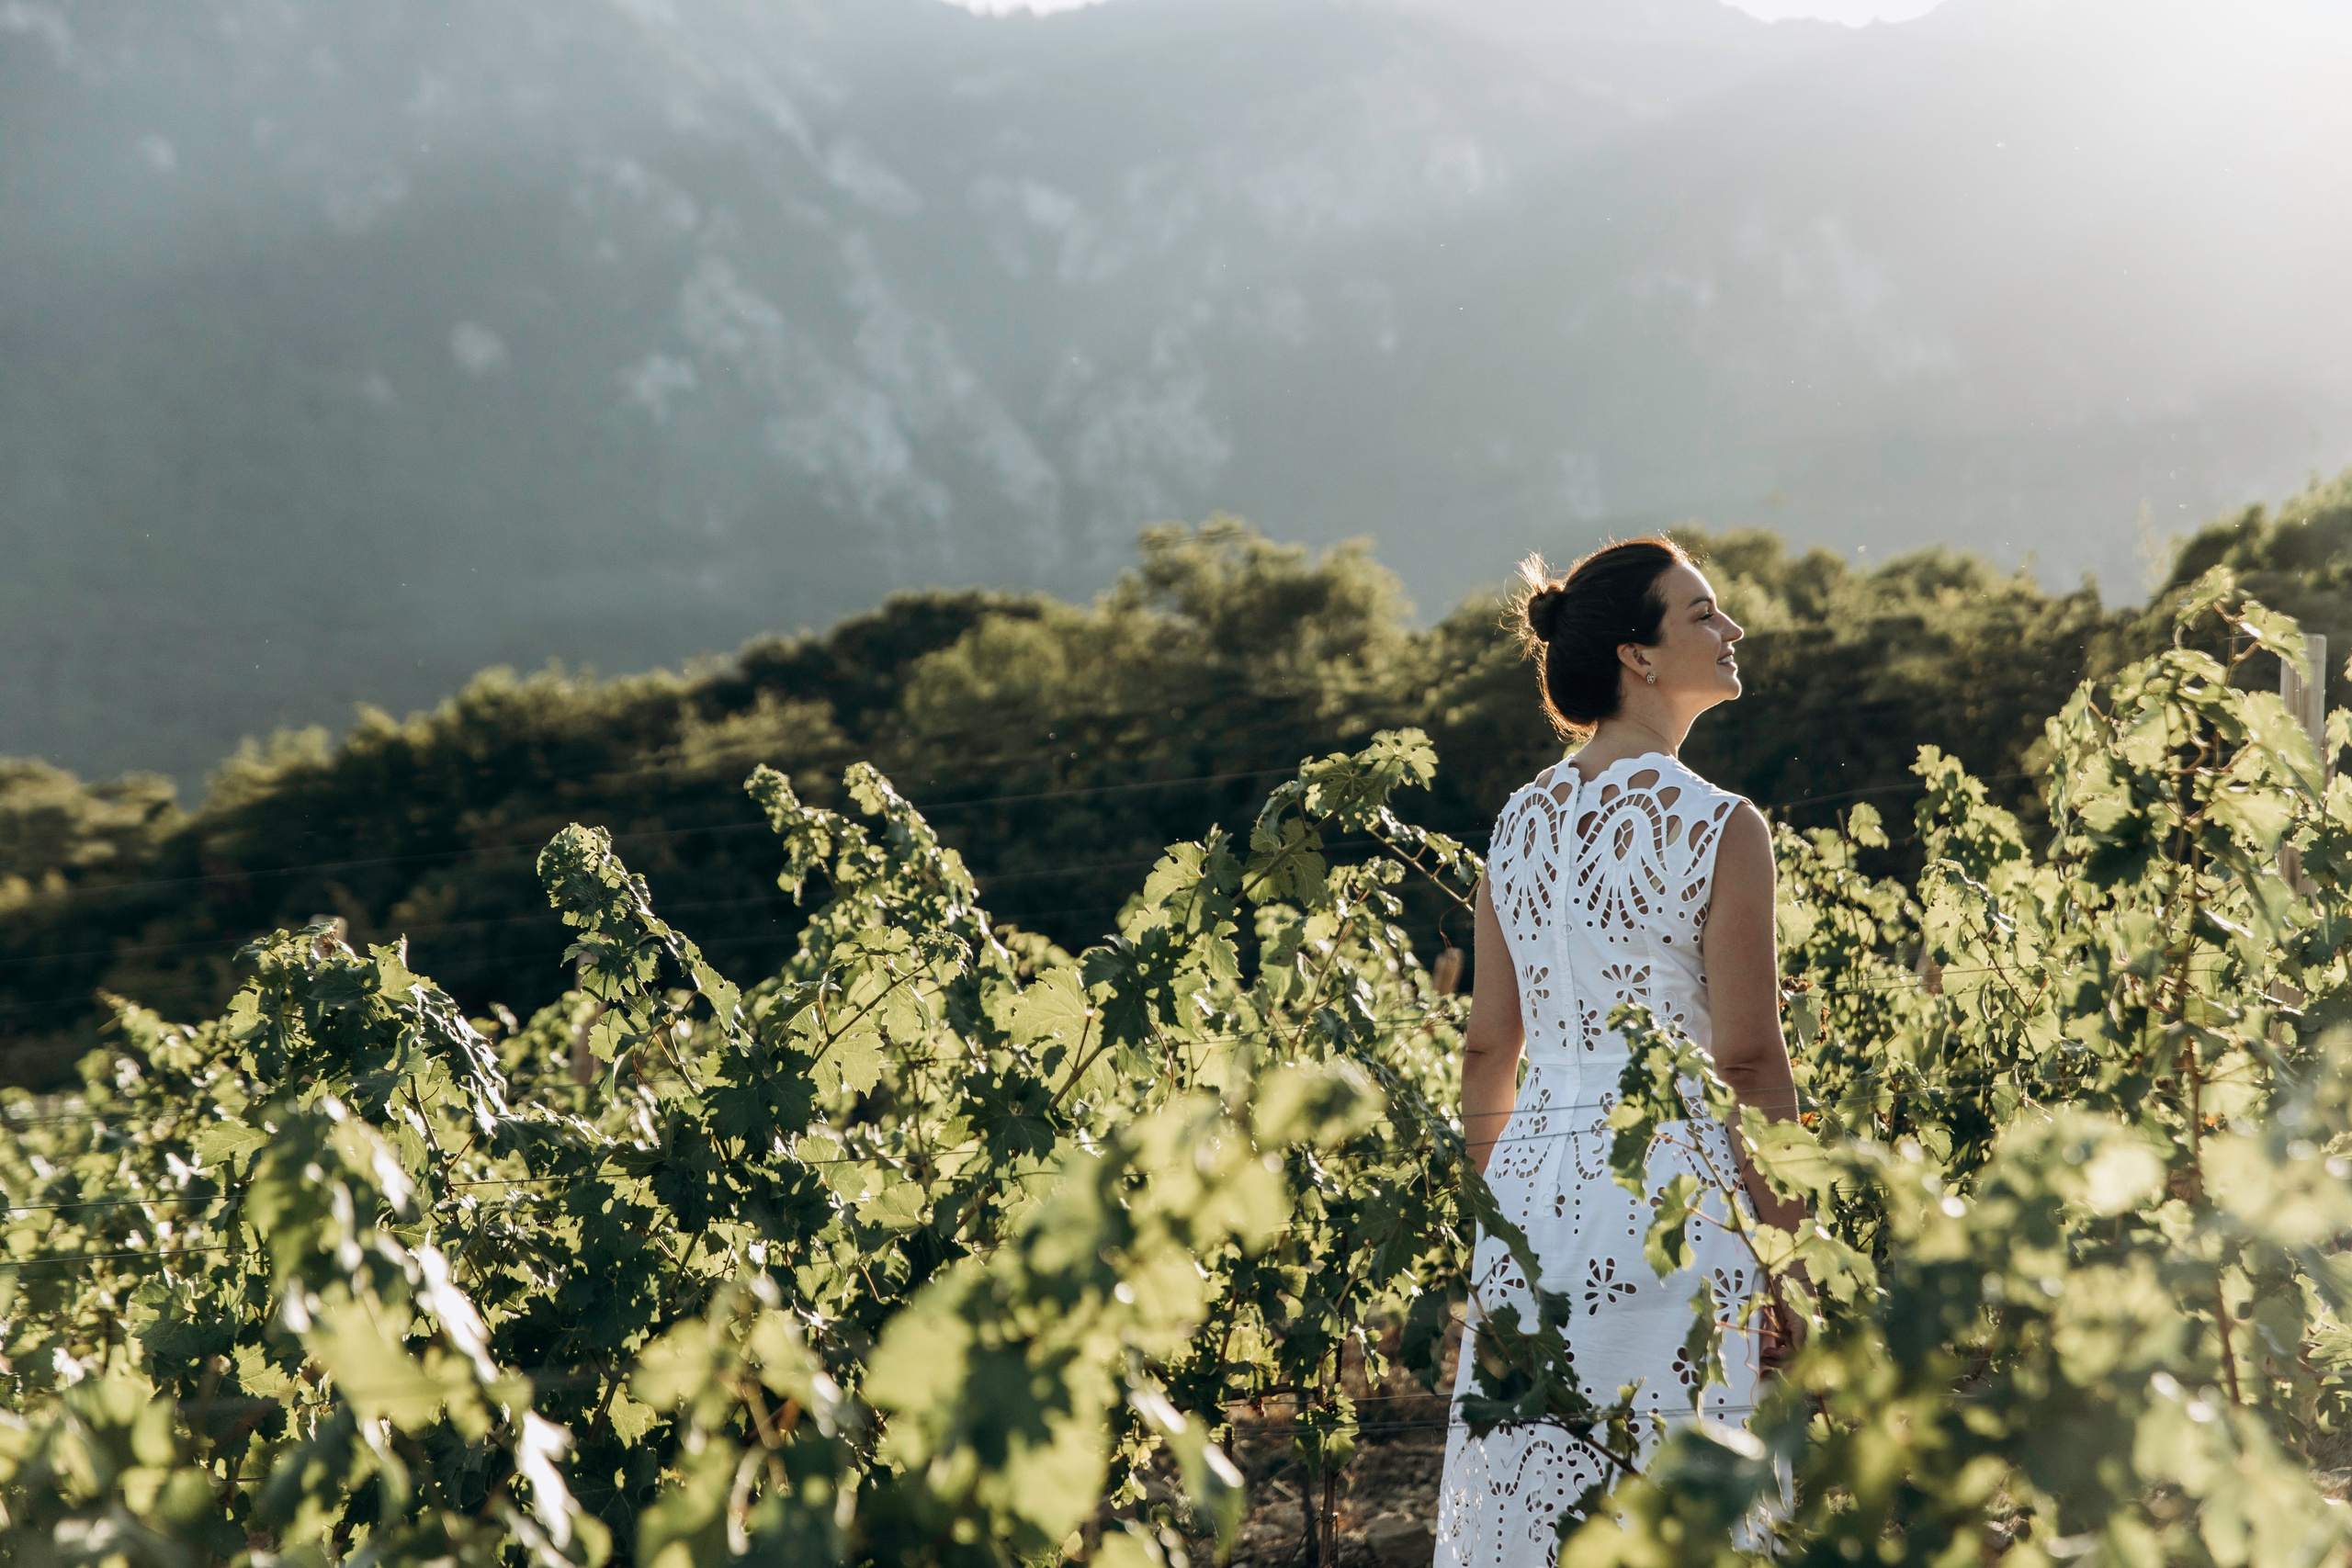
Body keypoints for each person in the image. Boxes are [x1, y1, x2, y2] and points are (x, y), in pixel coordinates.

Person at [1434, 537, 1805, 1567]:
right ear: (1638, 658)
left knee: (1539, 1504)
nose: (1730, 631)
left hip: (1531, 1196)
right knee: (1693, 1502)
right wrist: (1786, 1258)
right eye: (1701, 614)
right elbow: (1746, 1063)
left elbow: (1484, 1051)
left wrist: (1500, 1225)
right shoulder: (1723, 825)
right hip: (1674, 1201)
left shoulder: (1514, 825)